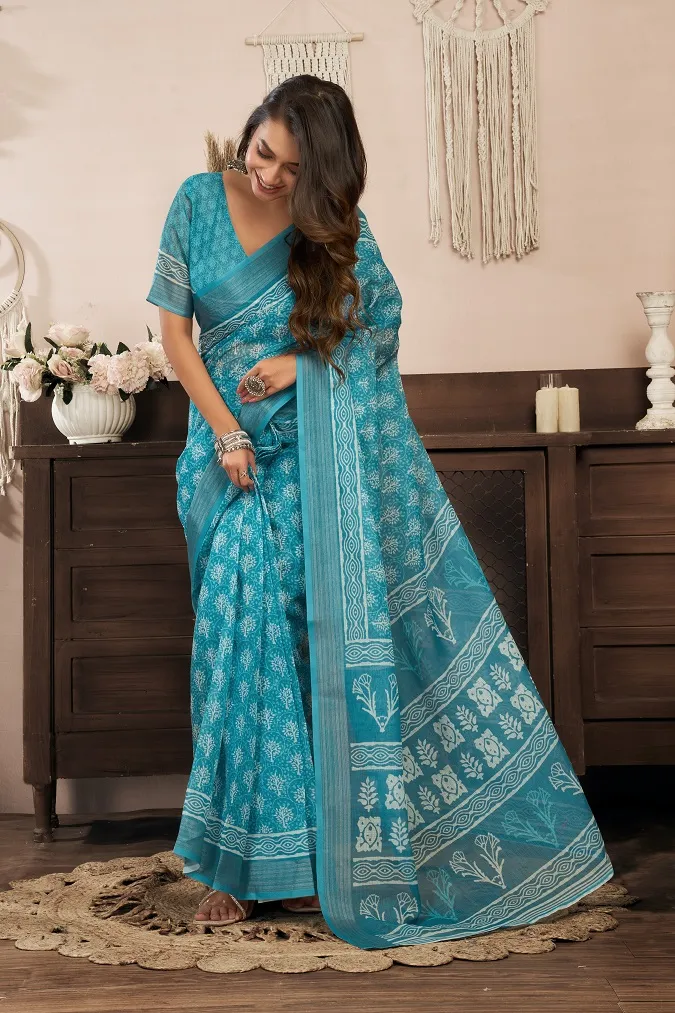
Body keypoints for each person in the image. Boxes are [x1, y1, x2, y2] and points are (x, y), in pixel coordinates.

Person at [147, 74, 612, 949]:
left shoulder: (336, 234)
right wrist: (226, 433)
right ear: (247, 133)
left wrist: (300, 367)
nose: (269, 176)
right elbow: (174, 335)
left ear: (321, 174)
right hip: (225, 460)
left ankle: (309, 864)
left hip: (314, 467)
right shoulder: (197, 201)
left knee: (304, 639)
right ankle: (230, 867)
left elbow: (376, 335)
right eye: (262, 153)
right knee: (234, 637)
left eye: (291, 169)